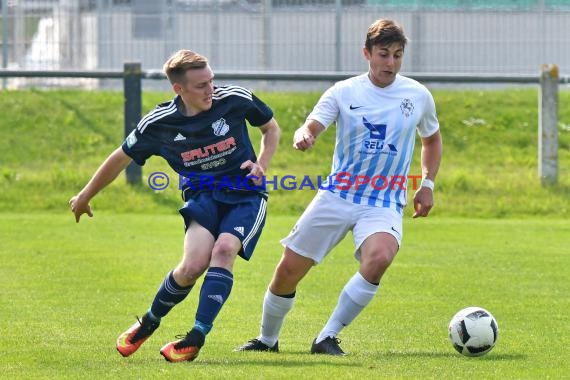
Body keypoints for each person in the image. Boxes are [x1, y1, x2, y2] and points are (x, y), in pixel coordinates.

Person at [236, 18, 442, 356]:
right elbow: (313, 124)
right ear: (367, 53)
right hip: (338, 194)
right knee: (288, 270)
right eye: (383, 54)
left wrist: (427, 184)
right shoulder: (344, 91)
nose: (390, 63)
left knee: (380, 258)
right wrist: (306, 135)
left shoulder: (417, 95)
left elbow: (431, 140)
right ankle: (267, 340)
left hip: (384, 200)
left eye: (397, 55)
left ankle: (327, 337)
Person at [69, 49, 281, 362]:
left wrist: (261, 163)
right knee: (192, 266)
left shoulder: (234, 99)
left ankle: (195, 336)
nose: (210, 89)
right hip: (202, 196)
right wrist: (85, 195)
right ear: (178, 89)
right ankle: (149, 322)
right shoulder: (160, 124)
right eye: (200, 85)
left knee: (223, 251)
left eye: (211, 80)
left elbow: (271, 128)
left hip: (245, 194)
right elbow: (120, 157)